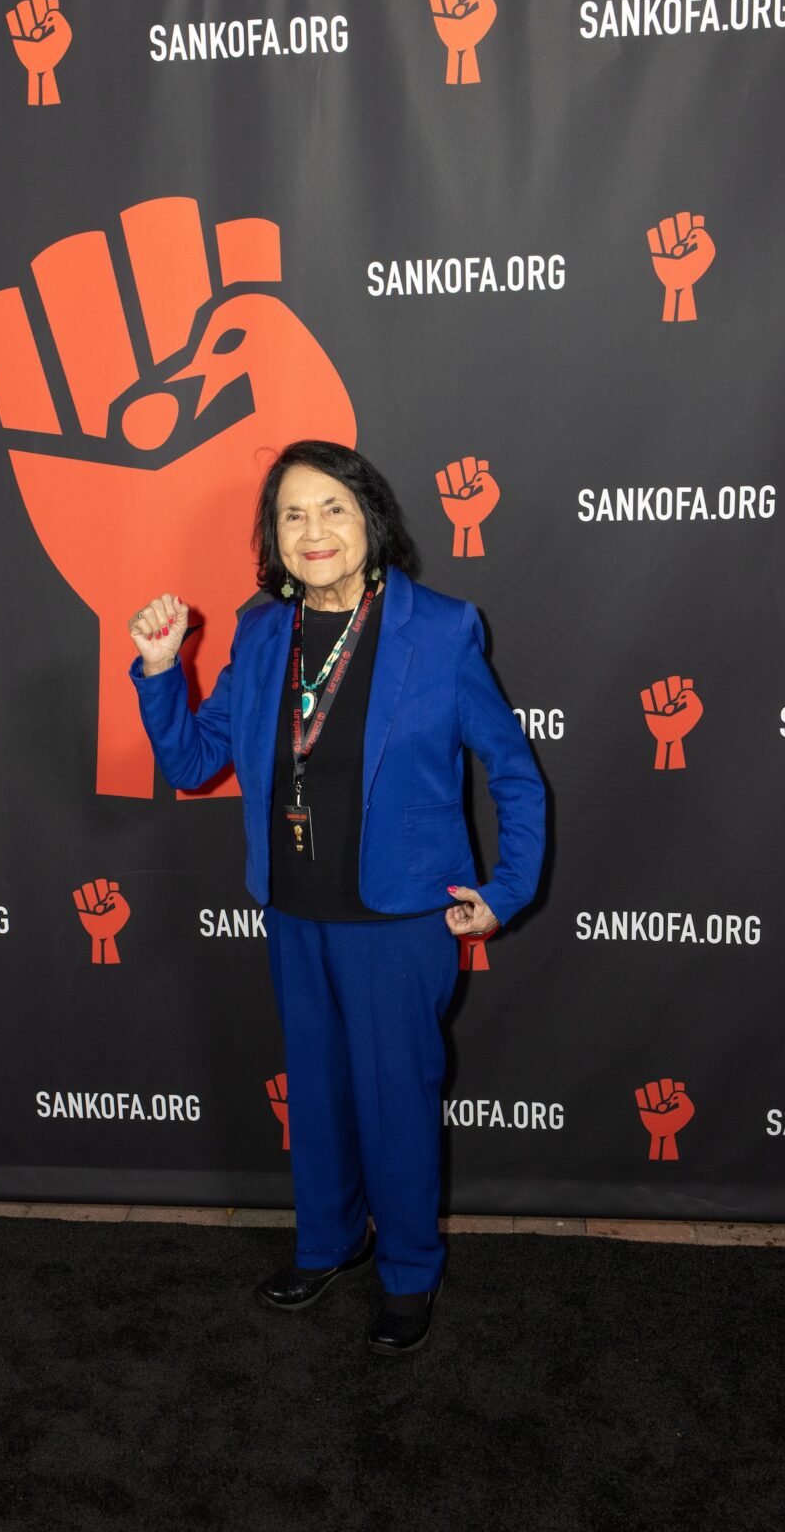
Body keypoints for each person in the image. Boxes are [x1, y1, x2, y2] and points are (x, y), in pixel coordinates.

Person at [127, 440, 545, 1356]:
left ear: (372, 523)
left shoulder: (438, 630)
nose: (313, 531)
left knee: (397, 1100)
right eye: (292, 514)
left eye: (334, 509)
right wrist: (161, 670)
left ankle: (407, 1272)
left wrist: (505, 889)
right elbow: (199, 761)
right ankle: (327, 1243)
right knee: (314, 1094)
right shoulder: (263, 631)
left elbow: (514, 774)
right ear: (272, 539)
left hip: (399, 921)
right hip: (294, 907)